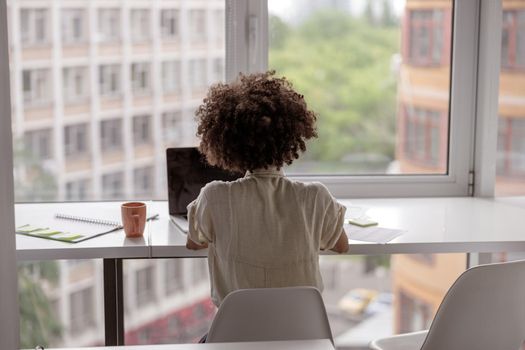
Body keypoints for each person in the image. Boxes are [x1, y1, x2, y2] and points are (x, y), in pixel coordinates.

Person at [186, 71, 349, 310]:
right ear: (292, 137)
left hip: (236, 338)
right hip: (304, 338)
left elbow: (193, 242)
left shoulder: (214, 197)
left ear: (225, 143)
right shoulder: (315, 197)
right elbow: (341, 246)